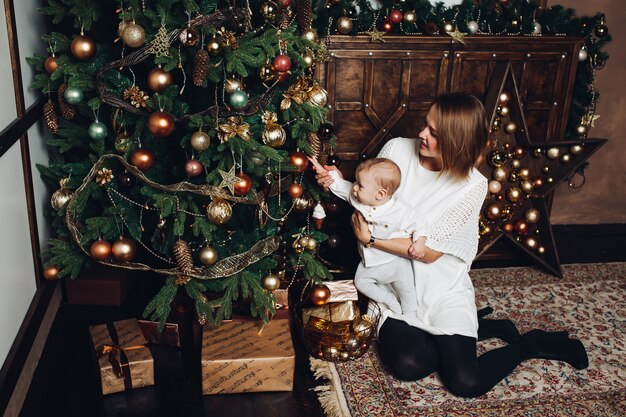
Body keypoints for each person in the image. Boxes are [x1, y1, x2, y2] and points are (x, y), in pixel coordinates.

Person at [314, 92, 588, 398]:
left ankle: (531, 343)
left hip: (440, 286)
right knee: (410, 365)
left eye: (433, 133)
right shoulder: (396, 150)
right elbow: (370, 200)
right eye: (426, 125)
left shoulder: (472, 186)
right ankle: (483, 330)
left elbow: (429, 254)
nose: (421, 134)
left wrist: (372, 239)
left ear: (455, 142)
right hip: (393, 284)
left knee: (465, 382)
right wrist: (338, 182)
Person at [310, 156, 425, 316]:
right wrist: (324, 171)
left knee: (408, 294)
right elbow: (342, 186)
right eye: (356, 182)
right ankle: (389, 299)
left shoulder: (401, 211)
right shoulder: (360, 201)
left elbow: (419, 225)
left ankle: (411, 319)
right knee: (360, 282)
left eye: (360, 185)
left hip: (397, 262)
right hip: (372, 264)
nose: (355, 188)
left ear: (380, 194)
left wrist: (420, 242)